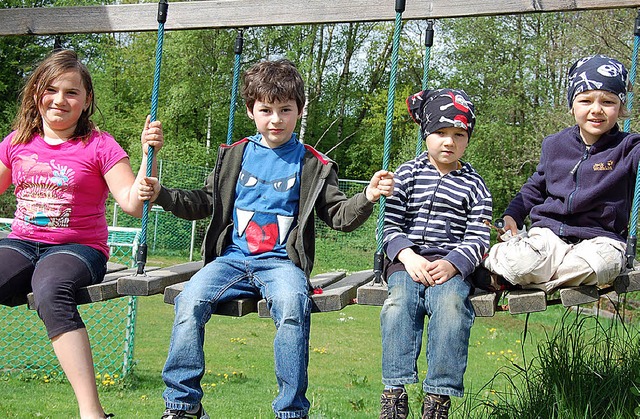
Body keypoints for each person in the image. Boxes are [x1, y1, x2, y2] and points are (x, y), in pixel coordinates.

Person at [139, 58, 394, 419]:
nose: (276, 119)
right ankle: (183, 405)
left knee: (292, 307)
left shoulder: (314, 164)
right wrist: (163, 194)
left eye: (285, 110)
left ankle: (290, 410)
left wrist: (366, 196)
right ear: (251, 111)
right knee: (189, 301)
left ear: (299, 111)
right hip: (231, 260)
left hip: (280, 264)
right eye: (266, 110)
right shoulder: (234, 156)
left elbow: (338, 216)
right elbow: (205, 202)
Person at [0, 49, 164, 419]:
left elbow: (132, 204)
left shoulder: (99, 145)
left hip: (78, 248)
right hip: (22, 242)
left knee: (50, 289)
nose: (60, 100)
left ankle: (92, 413)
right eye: (51, 89)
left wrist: (146, 157)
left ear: (87, 100)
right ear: (36, 92)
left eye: (72, 92)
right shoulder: (17, 142)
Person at [476, 54, 640, 294]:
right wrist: (513, 215)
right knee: (522, 259)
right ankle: (510, 266)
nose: (596, 110)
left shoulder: (629, 149)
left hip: (600, 238)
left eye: (607, 102)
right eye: (585, 101)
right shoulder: (555, 145)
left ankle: (519, 278)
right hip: (550, 234)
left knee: (605, 263)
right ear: (572, 106)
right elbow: (535, 187)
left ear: (621, 107)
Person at [378, 88, 492, 419]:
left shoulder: (475, 185)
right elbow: (388, 226)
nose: (448, 142)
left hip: (450, 267)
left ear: (468, 139)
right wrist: (407, 256)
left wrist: (455, 264)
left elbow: (479, 235)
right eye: (440, 133)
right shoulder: (407, 174)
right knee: (398, 304)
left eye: (458, 134)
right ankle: (394, 394)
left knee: (453, 307)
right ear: (426, 133)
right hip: (406, 264)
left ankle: (438, 399)